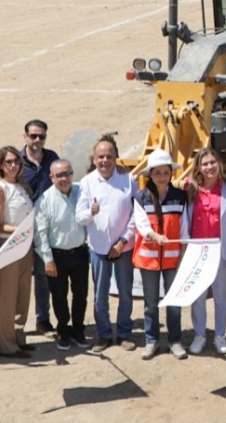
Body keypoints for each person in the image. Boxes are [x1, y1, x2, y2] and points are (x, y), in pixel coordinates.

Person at [75, 136, 137, 353]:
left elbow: (136, 214)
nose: (105, 161)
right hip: (99, 248)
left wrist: (123, 240)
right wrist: (89, 213)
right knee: (100, 295)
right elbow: (79, 217)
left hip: (123, 248)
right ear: (94, 158)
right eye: (101, 157)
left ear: (116, 157)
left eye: (109, 156)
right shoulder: (87, 182)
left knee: (125, 293)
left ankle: (124, 333)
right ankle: (103, 335)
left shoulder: (127, 179)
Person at [181, 147, 226, 355]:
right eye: (205, 163)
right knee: (198, 296)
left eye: (213, 162)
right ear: (198, 167)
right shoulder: (190, 188)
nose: (210, 167)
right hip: (197, 251)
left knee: (220, 296)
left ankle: (220, 335)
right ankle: (199, 335)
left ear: (219, 164)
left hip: (221, 250)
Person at [131, 149, 190, 360]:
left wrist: (183, 254)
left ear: (171, 174)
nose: (162, 177)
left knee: (174, 301)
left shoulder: (180, 197)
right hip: (150, 259)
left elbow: (184, 227)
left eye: (165, 173)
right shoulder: (141, 197)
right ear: (150, 175)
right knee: (151, 303)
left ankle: (175, 340)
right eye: (157, 173)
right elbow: (142, 225)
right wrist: (155, 236)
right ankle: (151, 340)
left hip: (173, 259)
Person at [34, 158, 91, 352]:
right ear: (51, 177)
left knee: (81, 294)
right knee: (59, 296)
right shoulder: (45, 200)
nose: (64, 178)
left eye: (67, 174)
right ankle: (63, 331)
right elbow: (40, 233)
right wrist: (48, 260)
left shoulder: (81, 193)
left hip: (80, 253)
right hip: (57, 256)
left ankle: (78, 329)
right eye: (59, 175)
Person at [0, 146, 36, 359]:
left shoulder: (21, 186)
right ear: (0, 165)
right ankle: (6, 345)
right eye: (9, 162)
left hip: (24, 244)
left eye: (16, 161)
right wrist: (23, 231)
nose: (13, 165)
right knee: (6, 297)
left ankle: (18, 337)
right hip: (6, 245)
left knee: (22, 294)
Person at [19, 119, 60, 335]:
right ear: (25, 136)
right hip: (20, 228)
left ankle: (42, 319)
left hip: (46, 227)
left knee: (43, 276)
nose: (37, 140)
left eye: (41, 136)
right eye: (33, 136)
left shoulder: (52, 159)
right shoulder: (16, 161)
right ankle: (15, 324)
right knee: (19, 276)